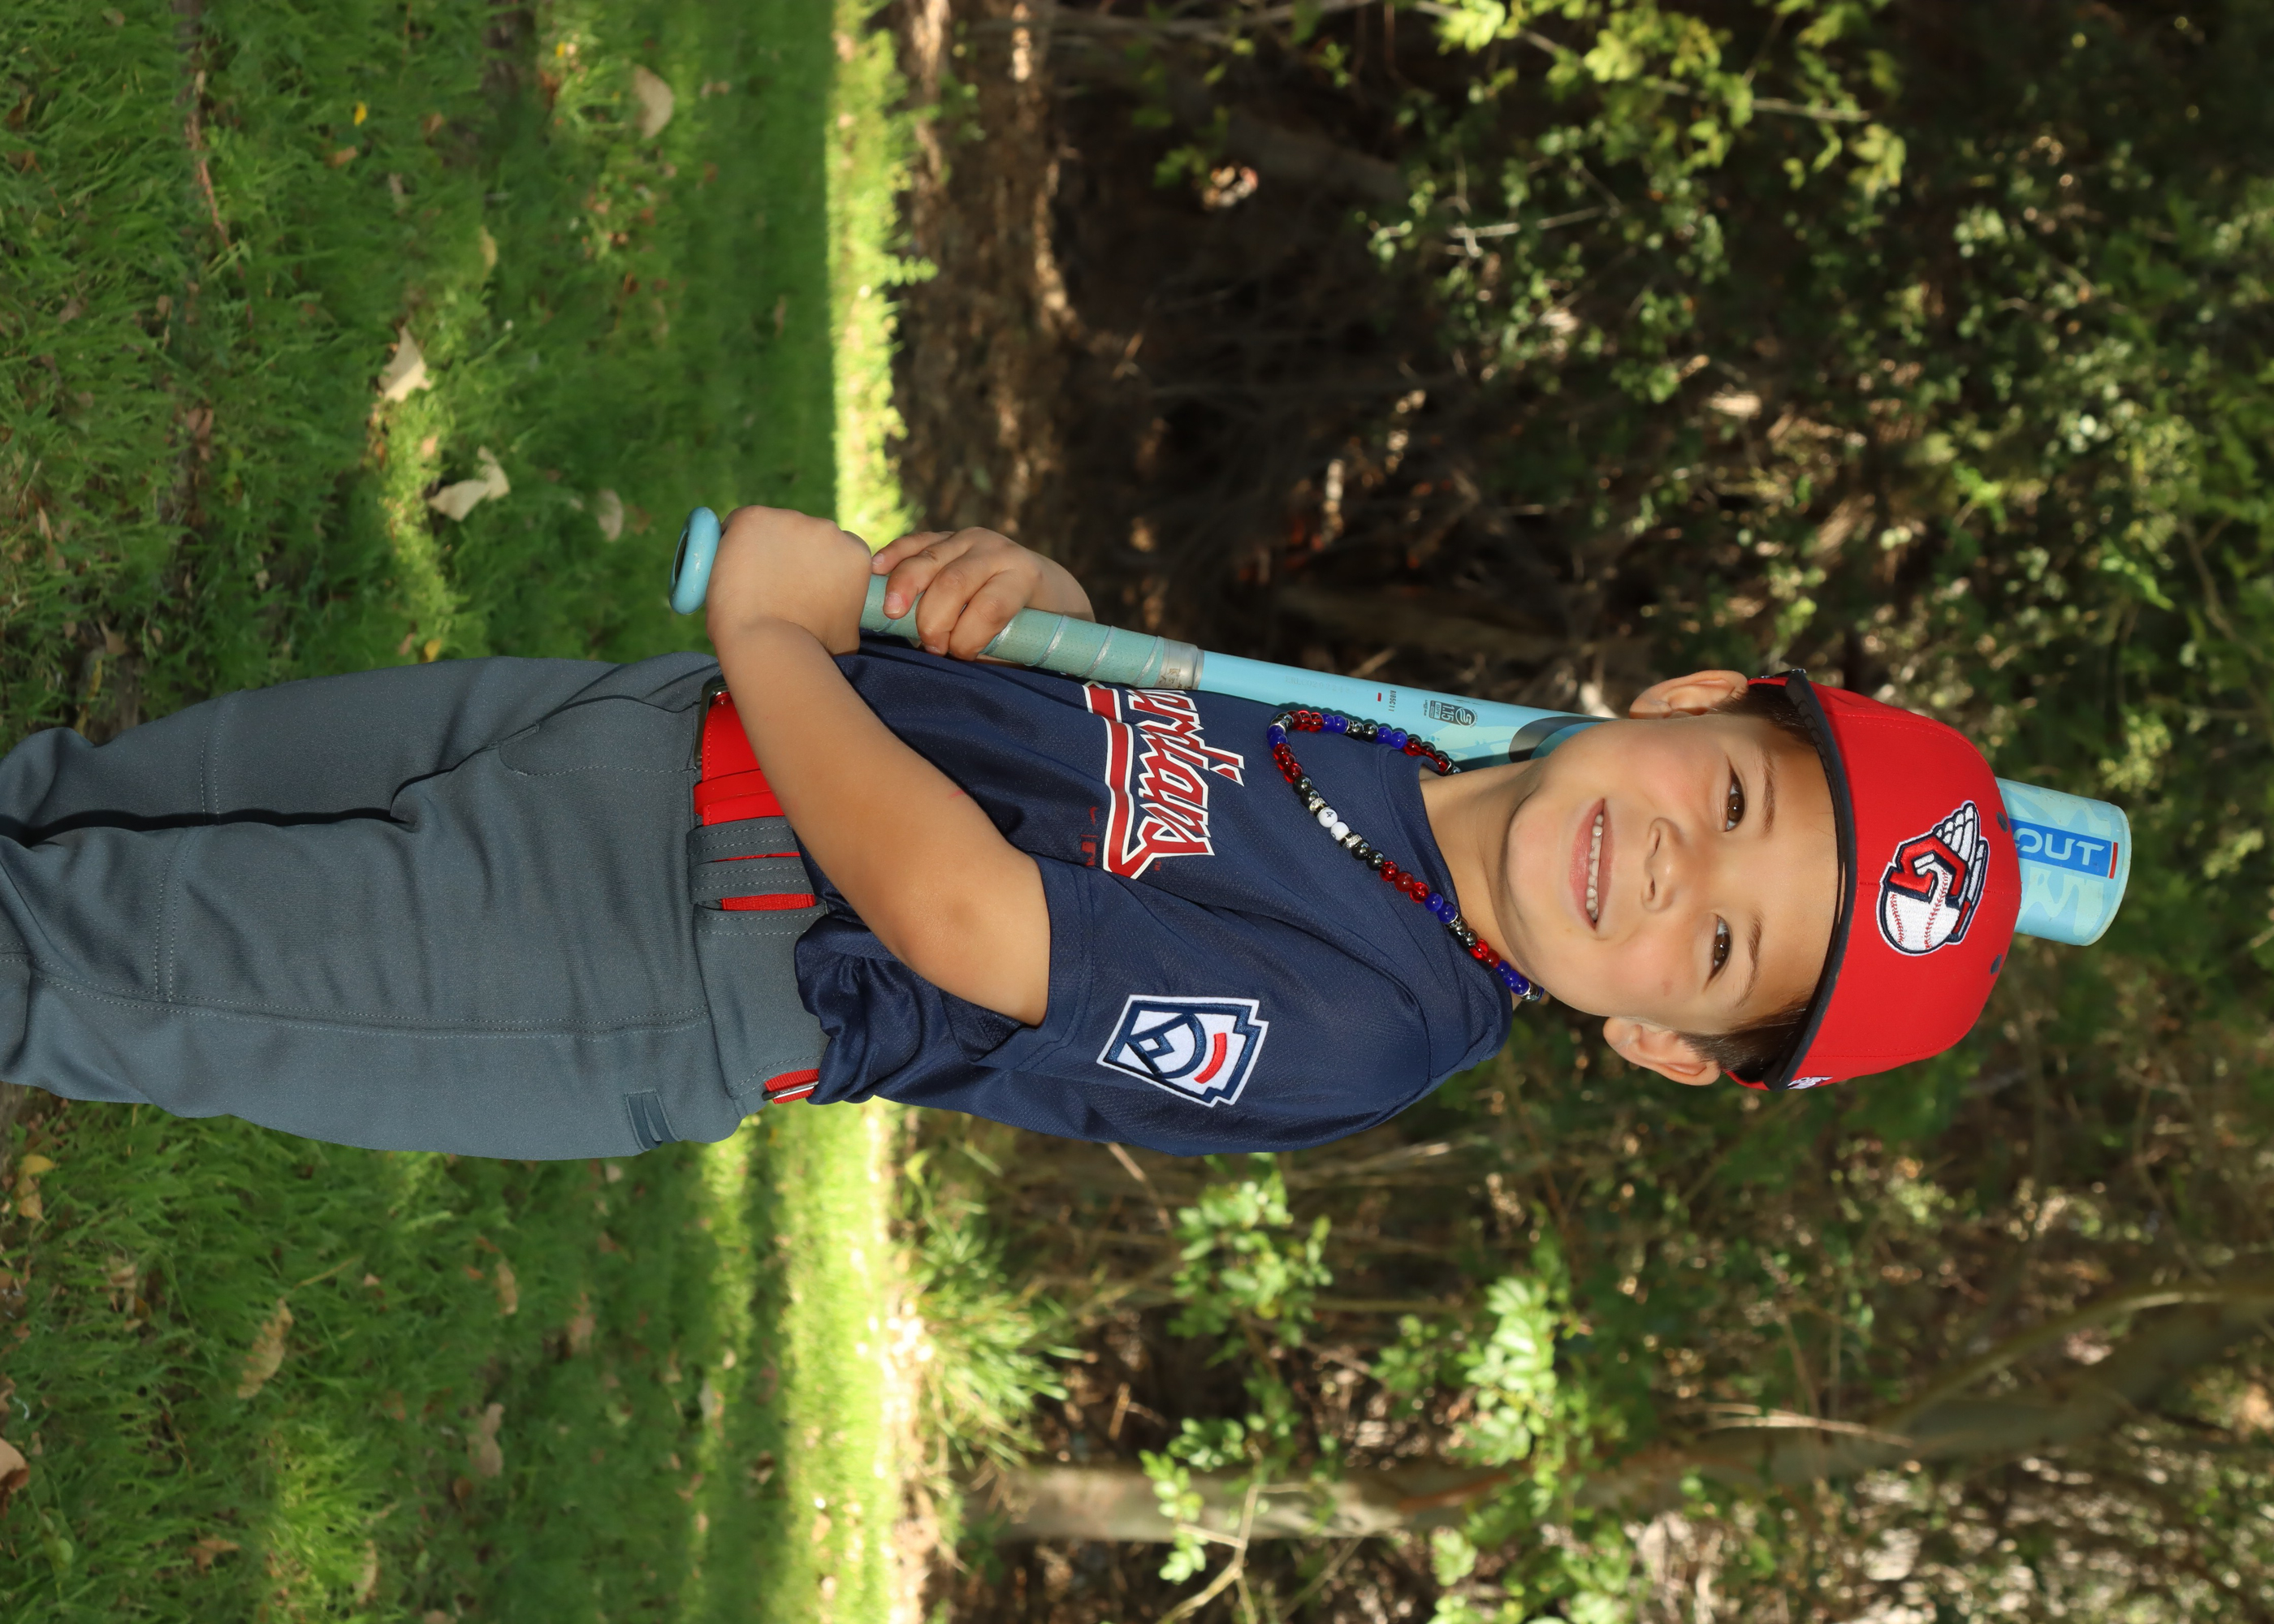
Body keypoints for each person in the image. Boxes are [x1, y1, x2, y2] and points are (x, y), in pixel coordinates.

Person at [0, 507, 2018, 1160]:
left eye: (1721, 949)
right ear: (1689, 702)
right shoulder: (1383, 749)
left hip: (642, 962)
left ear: (1658, 1041)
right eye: (1732, 803)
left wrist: (778, 634)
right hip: (648, 742)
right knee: (83, 807)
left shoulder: (1369, 1026)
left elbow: (966, 916)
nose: (1674, 870)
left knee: (81, 957)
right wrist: (1032, 604)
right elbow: (1115, 766)